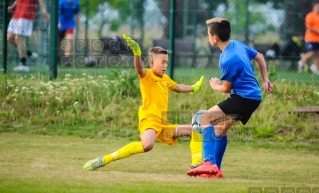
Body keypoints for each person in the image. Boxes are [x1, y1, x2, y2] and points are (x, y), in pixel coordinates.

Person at [83, 34, 204, 171]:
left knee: (194, 130)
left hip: (162, 123)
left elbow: (179, 87)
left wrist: (194, 88)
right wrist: (137, 53)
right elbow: (139, 68)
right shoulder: (147, 75)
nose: (165, 65)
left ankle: (197, 164)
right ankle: (105, 159)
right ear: (152, 63)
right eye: (162, 62)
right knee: (147, 145)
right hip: (149, 120)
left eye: (167, 62)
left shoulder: (165, 79)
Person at [186, 17, 273, 178]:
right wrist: (265, 80)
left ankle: (208, 162)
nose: (208, 37)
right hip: (253, 97)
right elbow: (260, 56)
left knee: (205, 119)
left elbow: (226, 88)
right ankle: (215, 170)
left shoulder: (228, 59)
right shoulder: (236, 45)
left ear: (215, 38)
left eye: (208, 34)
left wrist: (215, 86)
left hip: (243, 99)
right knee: (220, 129)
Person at [7, 0, 50, 72]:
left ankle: (24, 65)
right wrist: (12, 6)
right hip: (16, 14)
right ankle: (28, 53)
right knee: (9, 38)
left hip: (26, 14)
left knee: (19, 38)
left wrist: (43, 9)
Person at [58, 0, 81, 67]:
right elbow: (57, 13)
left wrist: (80, 25)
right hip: (61, 24)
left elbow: (77, 14)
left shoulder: (76, 3)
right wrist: (58, 23)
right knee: (58, 43)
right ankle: (56, 58)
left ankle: (66, 60)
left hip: (70, 24)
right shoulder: (62, 2)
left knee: (70, 40)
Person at [298, 2, 319, 74]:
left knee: (318, 54)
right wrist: (316, 31)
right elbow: (308, 26)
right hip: (311, 38)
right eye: (317, 7)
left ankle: (315, 67)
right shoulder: (310, 16)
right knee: (312, 52)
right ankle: (301, 62)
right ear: (313, 8)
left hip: (318, 39)